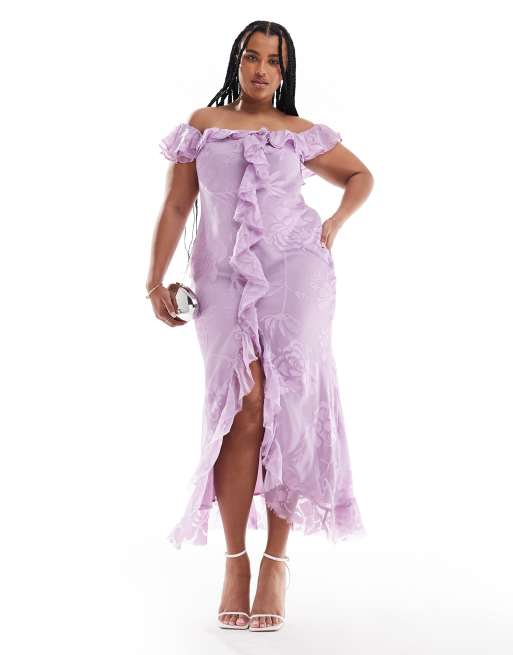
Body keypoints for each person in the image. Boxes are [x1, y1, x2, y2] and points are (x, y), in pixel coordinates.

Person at [146, 20, 374, 632]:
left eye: (274, 61)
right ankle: (234, 561)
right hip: (221, 280)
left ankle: (275, 560)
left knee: (287, 407)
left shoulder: (299, 133)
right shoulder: (203, 126)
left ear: (284, 71)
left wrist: (333, 224)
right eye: (252, 57)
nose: (262, 69)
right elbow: (177, 204)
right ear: (237, 62)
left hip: (296, 273)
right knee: (241, 406)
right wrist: (154, 280)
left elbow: (361, 176)